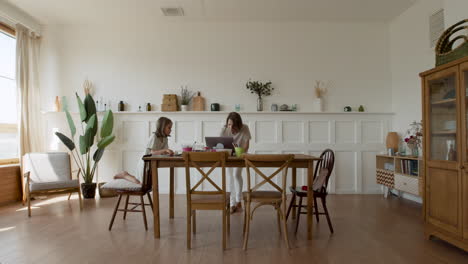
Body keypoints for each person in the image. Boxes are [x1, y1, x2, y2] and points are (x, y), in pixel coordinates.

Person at [114, 117, 174, 184]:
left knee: (144, 182)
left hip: (152, 164)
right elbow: (152, 152)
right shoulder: (154, 137)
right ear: (162, 127)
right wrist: (165, 150)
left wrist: (168, 152)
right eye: (169, 128)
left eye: (171, 128)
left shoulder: (165, 138)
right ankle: (125, 175)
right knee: (140, 183)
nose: (170, 130)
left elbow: (164, 151)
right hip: (145, 163)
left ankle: (126, 174)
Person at [219, 112, 251, 213]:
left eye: (233, 125)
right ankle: (232, 204)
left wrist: (239, 151)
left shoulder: (244, 128)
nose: (230, 127)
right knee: (230, 177)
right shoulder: (224, 130)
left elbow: (246, 146)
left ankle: (238, 200)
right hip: (228, 156)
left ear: (239, 125)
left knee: (237, 175)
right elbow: (219, 145)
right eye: (229, 124)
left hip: (240, 155)